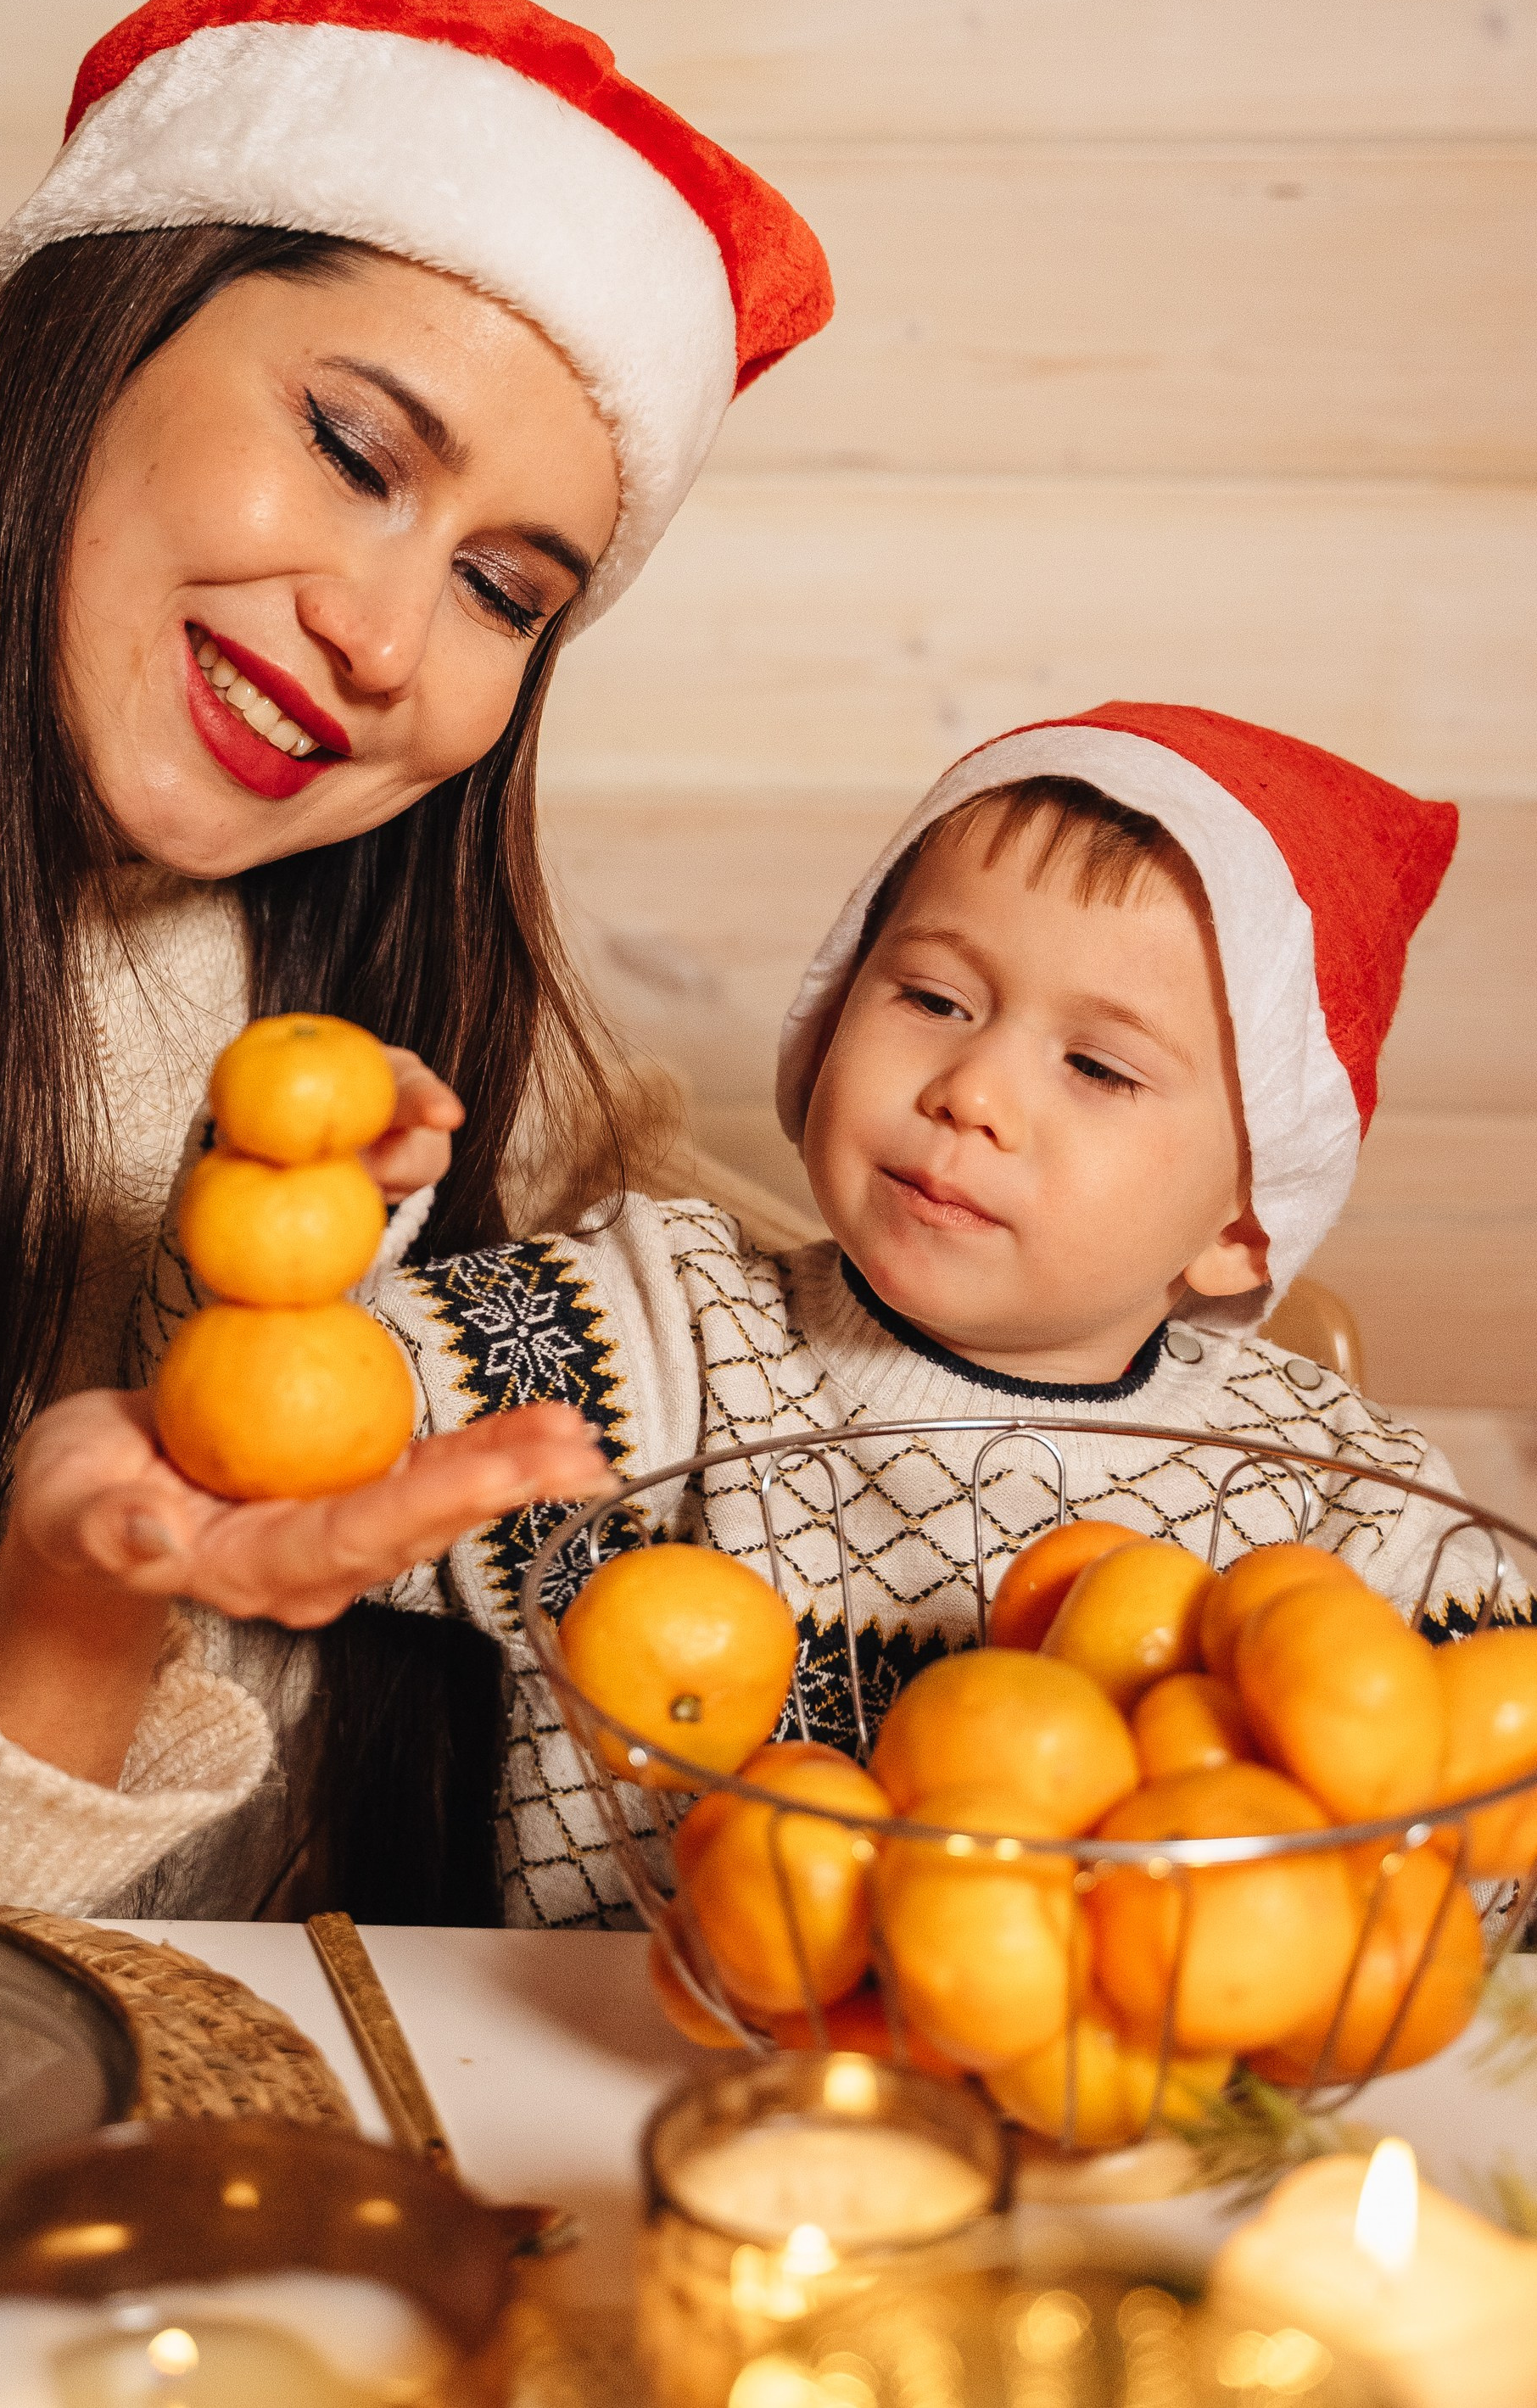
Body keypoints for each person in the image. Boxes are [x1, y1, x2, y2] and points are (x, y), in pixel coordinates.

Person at [0, 0, 833, 1917]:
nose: (389, 636)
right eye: (350, 451)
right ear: (87, 340)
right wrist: (71, 1620)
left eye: (510, 591)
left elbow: (805, 1352)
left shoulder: (393, 985)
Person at [137, 701, 1498, 1925]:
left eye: (1094, 1065)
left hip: (1140, 2112)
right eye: (931, 996)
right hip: (607, 2069)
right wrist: (292, 1226)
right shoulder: (658, 1329)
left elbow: (1482, 1861)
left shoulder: (1349, 1507)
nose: (972, 1088)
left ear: (1243, 1222)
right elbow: (267, 1454)